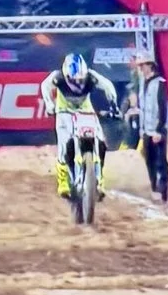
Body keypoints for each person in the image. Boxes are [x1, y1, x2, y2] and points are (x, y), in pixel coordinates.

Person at [39, 48, 119, 205]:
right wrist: (49, 104)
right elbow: (45, 86)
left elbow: (108, 86)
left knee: (100, 140)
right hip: (64, 112)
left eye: (81, 80)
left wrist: (114, 106)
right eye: (74, 80)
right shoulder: (58, 77)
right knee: (63, 144)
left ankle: (99, 177)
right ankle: (63, 181)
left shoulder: (91, 76)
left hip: (85, 110)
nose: (78, 83)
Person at [129, 46, 168, 202]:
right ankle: (154, 188)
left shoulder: (159, 83)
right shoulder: (143, 84)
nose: (140, 69)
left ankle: (163, 190)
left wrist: (159, 131)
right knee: (149, 162)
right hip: (146, 130)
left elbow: (162, 107)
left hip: (157, 130)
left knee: (161, 161)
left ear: (149, 65)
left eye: (142, 66)